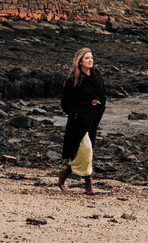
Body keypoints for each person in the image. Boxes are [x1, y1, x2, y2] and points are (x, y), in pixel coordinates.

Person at [57, 48, 106, 194]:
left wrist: (100, 109)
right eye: (87, 58)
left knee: (84, 150)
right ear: (80, 61)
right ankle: (88, 183)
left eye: (91, 57)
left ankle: (66, 171)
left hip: (94, 117)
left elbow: (103, 94)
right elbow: (65, 103)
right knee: (87, 149)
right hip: (79, 120)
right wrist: (77, 113)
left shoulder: (96, 74)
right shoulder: (73, 80)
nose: (91, 60)